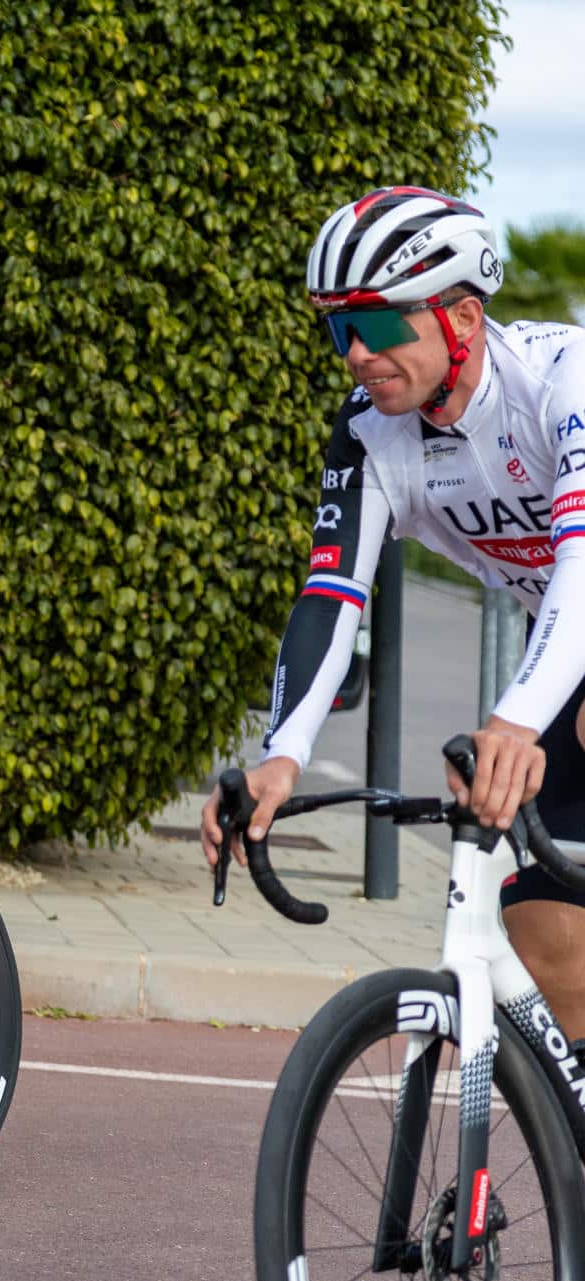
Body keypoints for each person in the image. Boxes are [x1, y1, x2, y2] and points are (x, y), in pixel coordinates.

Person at [201, 186, 585, 1029]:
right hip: (563, 648)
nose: (355, 354)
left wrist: (515, 720)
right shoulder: (372, 433)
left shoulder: (564, 381)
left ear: (464, 322)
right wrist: (282, 755)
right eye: (341, 330)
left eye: (377, 326)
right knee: (541, 934)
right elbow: (332, 593)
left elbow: (581, 566)